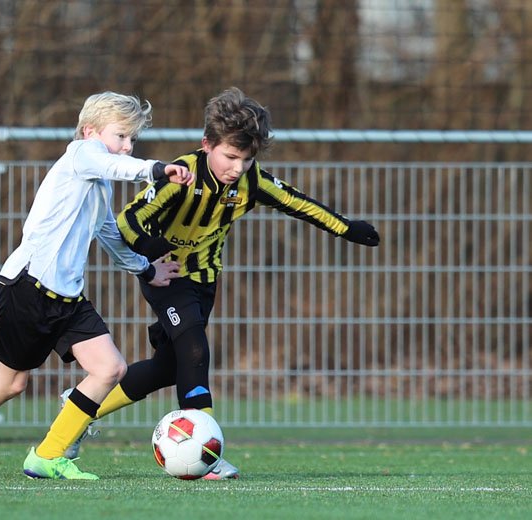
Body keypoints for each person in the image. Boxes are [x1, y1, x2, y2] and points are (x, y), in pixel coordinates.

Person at [64, 87, 380, 479]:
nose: (238, 168)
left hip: (205, 280)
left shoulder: (251, 182)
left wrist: (346, 228)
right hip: (167, 276)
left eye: (247, 160)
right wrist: (153, 252)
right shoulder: (181, 174)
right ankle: (206, 454)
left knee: (168, 368)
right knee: (195, 350)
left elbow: (298, 202)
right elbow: (129, 220)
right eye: (230, 156)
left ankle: (80, 406)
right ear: (207, 144)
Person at [0, 91, 194, 481]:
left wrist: (146, 270)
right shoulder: (81, 155)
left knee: (110, 369)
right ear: (90, 131)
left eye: (132, 139)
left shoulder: (99, 186)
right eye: (121, 135)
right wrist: (158, 170)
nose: (127, 146)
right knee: (11, 382)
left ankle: (48, 455)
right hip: (27, 287)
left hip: (68, 297)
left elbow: (110, 236)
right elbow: (115, 165)